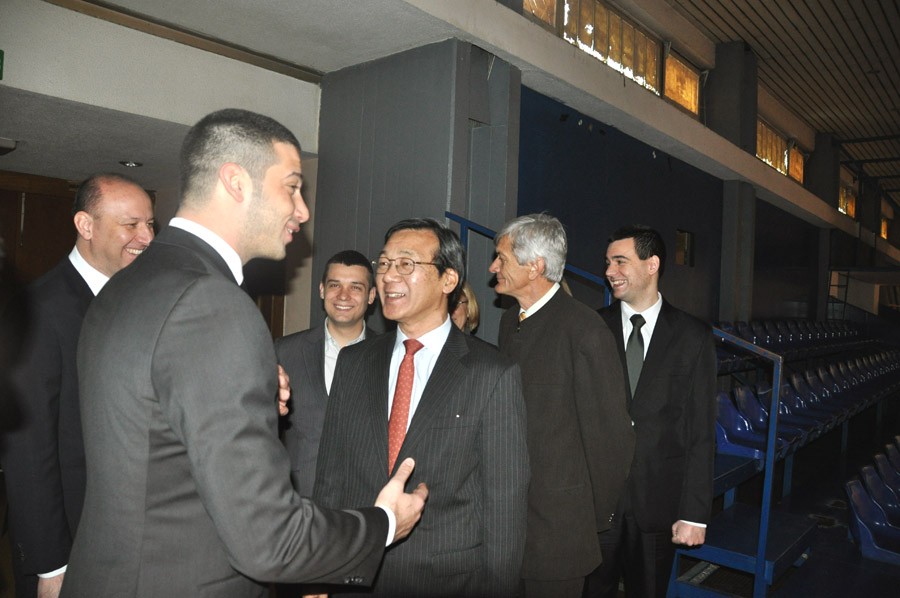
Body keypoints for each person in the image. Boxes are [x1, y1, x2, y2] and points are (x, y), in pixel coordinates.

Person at [61, 109, 427, 598]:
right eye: (292, 188)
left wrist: (249, 388)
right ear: (235, 182)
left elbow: (153, 433)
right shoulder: (212, 305)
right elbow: (269, 541)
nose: (302, 211)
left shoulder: (128, 283)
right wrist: (384, 524)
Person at [314, 218, 529, 597]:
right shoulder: (354, 362)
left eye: (406, 264)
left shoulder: (491, 373)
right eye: (384, 263)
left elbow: (504, 507)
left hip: (446, 581)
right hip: (355, 577)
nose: (388, 276)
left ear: (448, 280)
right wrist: (319, 568)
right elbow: (331, 480)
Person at [0, 173, 155, 598]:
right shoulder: (37, 311)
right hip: (70, 549)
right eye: (131, 224)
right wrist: (52, 565)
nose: (146, 237)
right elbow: (28, 451)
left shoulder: (141, 301)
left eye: (149, 224)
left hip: (132, 544)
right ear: (86, 226)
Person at [489, 213, 634, 598]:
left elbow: (611, 437)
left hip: (558, 533)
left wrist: (587, 517)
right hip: (508, 525)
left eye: (501, 258)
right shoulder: (509, 322)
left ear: (535, 267)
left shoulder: (584, 330)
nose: (493, 267)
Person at [586, 225, 716, 598]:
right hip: (596, 505)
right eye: (608, 262)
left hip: (658, 505)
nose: (609, 271)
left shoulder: (693, 336)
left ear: (652, 264)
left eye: (620, 261)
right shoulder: (591, 328)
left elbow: (700, 430)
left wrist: (693, 514)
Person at [276, 249, 377, 497]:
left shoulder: (390, 354)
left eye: (356, 287)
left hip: (366, 501)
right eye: (335, 285)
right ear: (322, 290)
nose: (343, 295)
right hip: (299, 500)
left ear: (372, 296)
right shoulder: (284, 352)